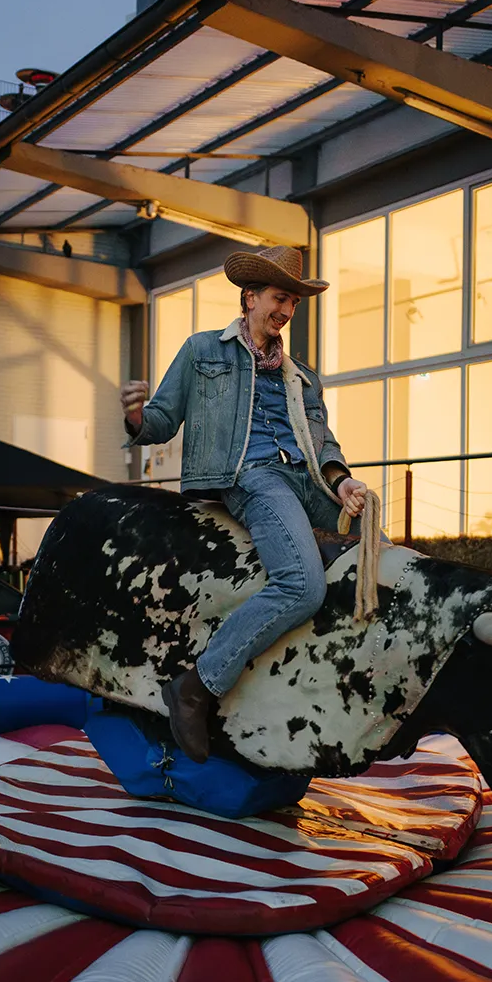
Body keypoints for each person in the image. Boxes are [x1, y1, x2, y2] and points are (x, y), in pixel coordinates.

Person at [121, 246, 373, 764]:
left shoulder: (303, 376)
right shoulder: (202, 352)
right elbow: (162, 421)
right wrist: (134, 416)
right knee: (302, 585)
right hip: (251, 475)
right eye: (280, 298)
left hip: (307, 480)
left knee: (382, 554)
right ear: (250, 297)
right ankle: (195, 686)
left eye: (294, 302)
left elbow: (324, 443)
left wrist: (342, 482)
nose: (286, 310)